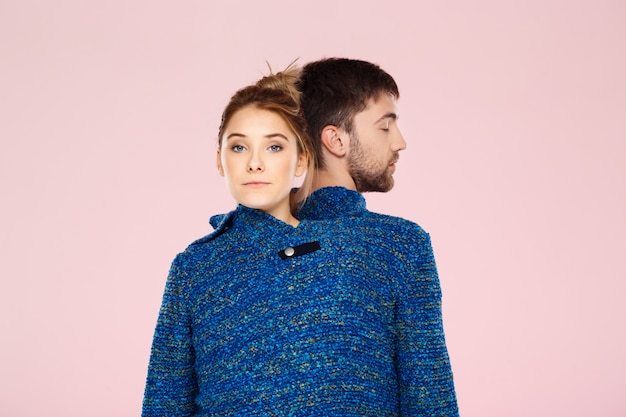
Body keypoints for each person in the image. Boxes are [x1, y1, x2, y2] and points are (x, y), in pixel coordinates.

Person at [296, 57, 460, 416]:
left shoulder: (226, 249)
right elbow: (429, 397)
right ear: (335, 139)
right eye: (385, 127)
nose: (400, 142)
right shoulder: (400, 245)